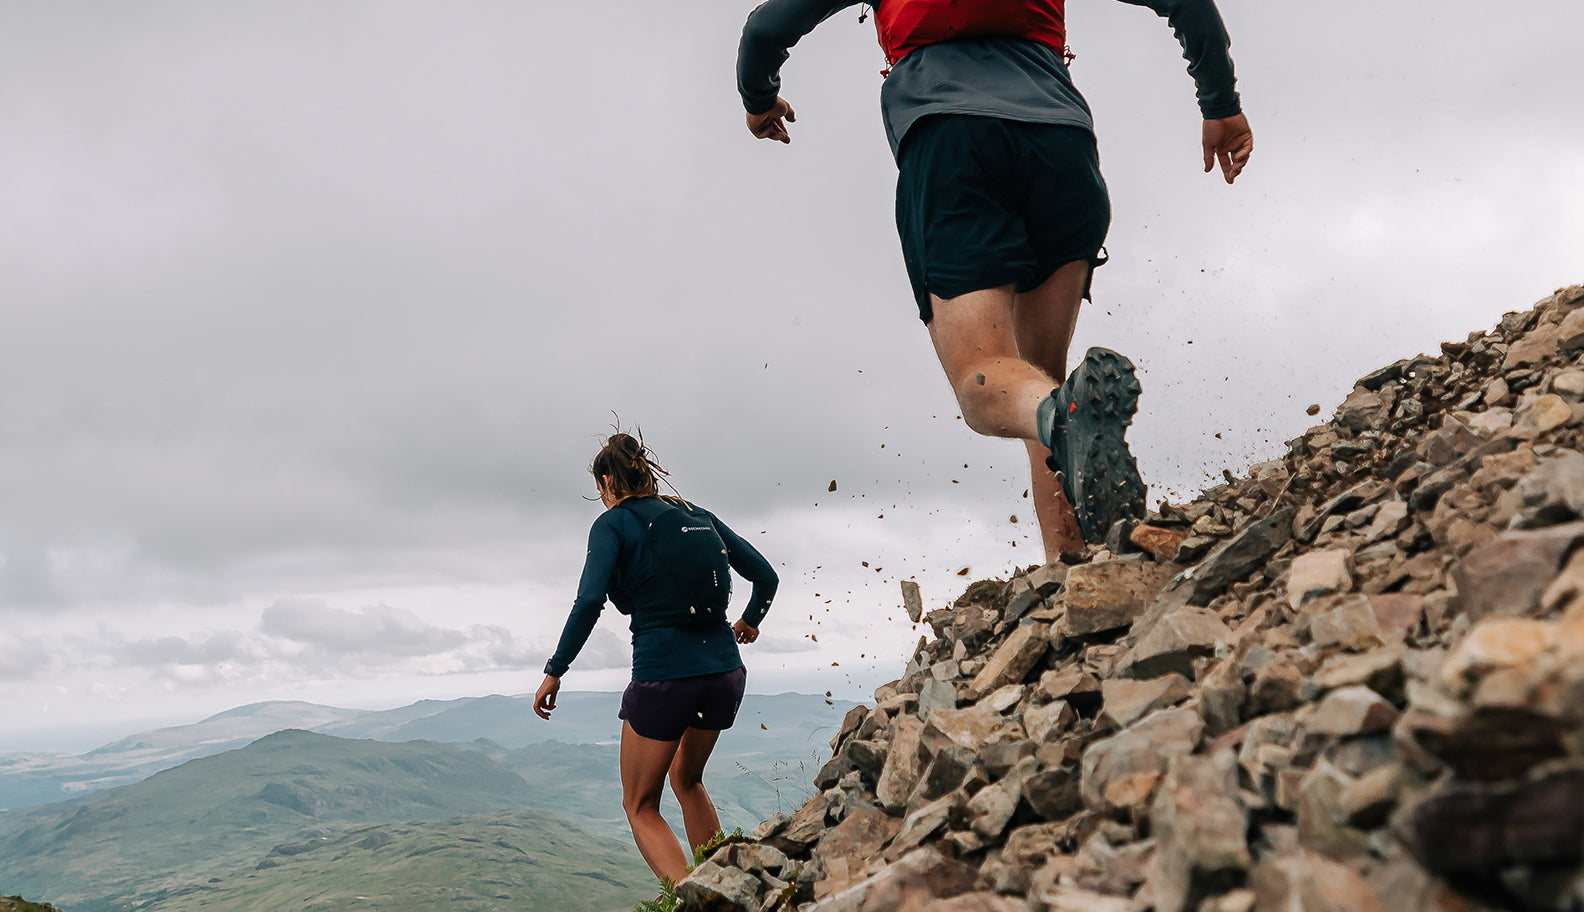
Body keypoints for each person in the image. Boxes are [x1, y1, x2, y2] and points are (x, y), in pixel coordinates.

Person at [736, 0, 1253, 559]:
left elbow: (766, 28)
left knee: (987, 384)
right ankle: (1072, 563)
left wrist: (759, 99)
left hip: (953, 147)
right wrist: (1219, 104)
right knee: (1039, 382)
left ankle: (1068, 458)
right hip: (1062, 149)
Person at [533, 432, 778, 884]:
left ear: (607, 481)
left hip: (664, 679)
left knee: (640, 804)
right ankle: (726, 887)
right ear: (645, 472)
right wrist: (749, 620)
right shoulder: (697, 515)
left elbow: (589, 601)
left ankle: (693, 899)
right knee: (688, 780)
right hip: (725, 674)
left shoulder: (612, 525)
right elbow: (765, 576)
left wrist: (555, 670)